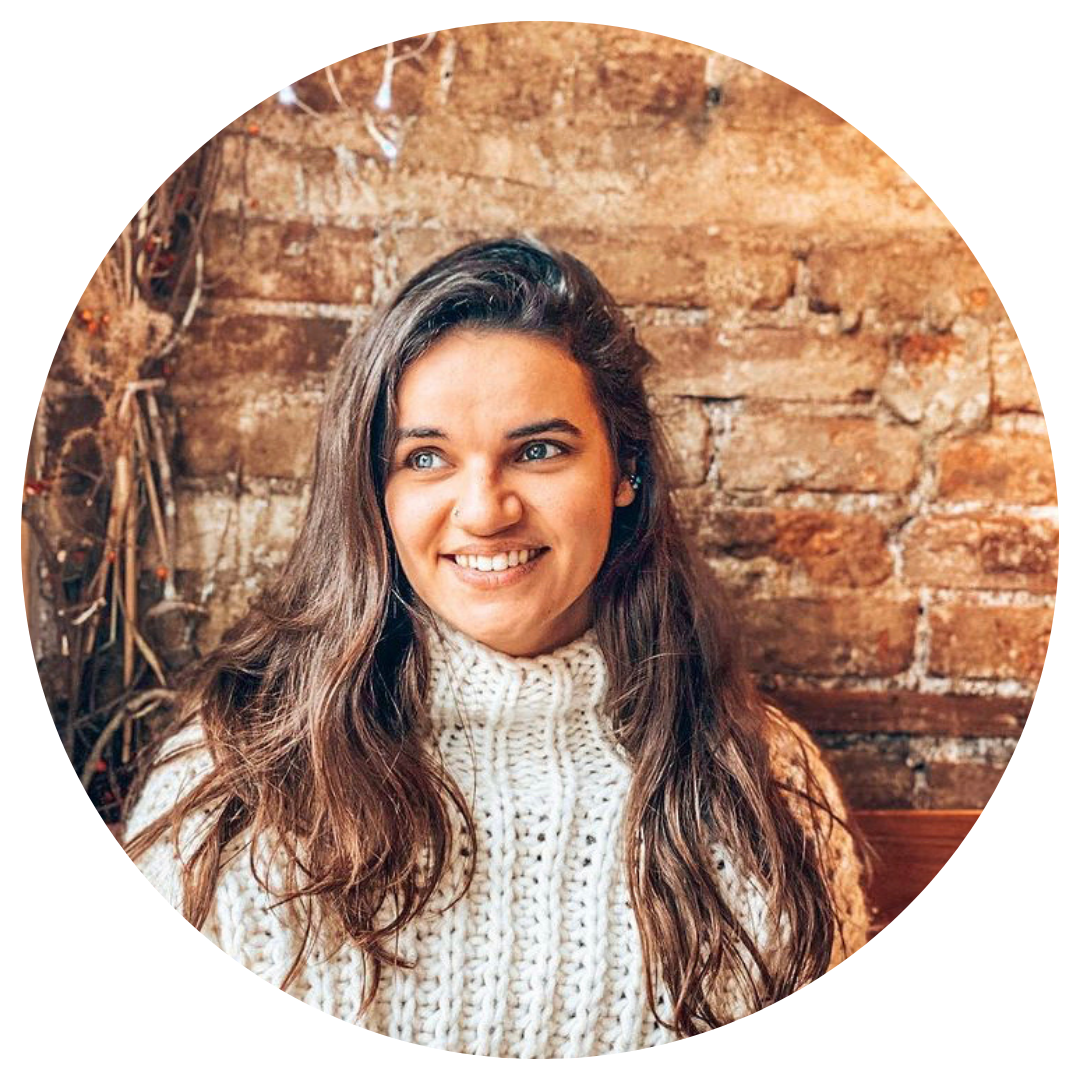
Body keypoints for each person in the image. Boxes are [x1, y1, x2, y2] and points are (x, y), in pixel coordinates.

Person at [121, 236, 877, 1058]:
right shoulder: (235, 772)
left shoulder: (757, 776)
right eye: (426, 458)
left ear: (625, 469)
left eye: (539, 451)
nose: (484, 510)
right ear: (375, 492)